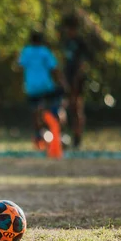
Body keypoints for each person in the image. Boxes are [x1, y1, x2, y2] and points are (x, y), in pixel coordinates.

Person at [18, 31, 70, 149]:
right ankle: (57, 134)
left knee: (35, 112)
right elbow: (54, 68)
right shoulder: (45, 52)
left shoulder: (26, 51)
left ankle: (39, 137)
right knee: (54, 110)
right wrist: (63, 83)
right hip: (46, 86)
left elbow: (20, 67)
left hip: (31, 87)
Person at [60, 14, 91, 148]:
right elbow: (64, 61)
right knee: (65, 107)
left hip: (77, 80)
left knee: (77, 108)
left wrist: (76, 81)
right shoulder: (66, 42)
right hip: (67, 79)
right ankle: (64, 136)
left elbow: (82, 64)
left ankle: (78, 138)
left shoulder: (80, 42)